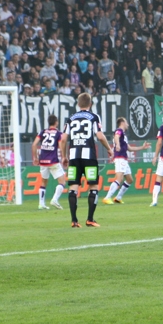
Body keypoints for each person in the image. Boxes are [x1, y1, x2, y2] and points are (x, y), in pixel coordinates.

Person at [61, 93, 113, 228]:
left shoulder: (70, 118)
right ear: (90, 104)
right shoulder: (94, 117)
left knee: (73, 188)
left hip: (73, 157)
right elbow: (100, 136)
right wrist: (109, 148)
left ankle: (74, 220)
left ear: (78, 104)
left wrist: (63, 156)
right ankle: (90, 219)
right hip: (89, 156)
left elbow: (63, 139)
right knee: (93, 186)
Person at [103, 118, 151, 205]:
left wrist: (142, 147)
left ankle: (118, 197)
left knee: (129, 180)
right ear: (123, 122)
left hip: (124, 159)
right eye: (127, 122)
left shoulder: (124, 135)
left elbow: (130, 148)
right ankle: (107, 197)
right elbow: (116, 136)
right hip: (119, 157)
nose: (128, 124)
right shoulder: (119, 131)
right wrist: (117, 145)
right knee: (119, 178)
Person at [32, 115, 66, 210]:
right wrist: (64, 157)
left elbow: (34, 144)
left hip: (42, 160)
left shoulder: (42, 132)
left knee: (43, 182)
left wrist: (35, 157)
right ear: (56, 122)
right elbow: (61, 144)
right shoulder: (58, 133)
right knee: (62, 181)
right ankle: (54, 199)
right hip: (53, 160)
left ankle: (41, 204)